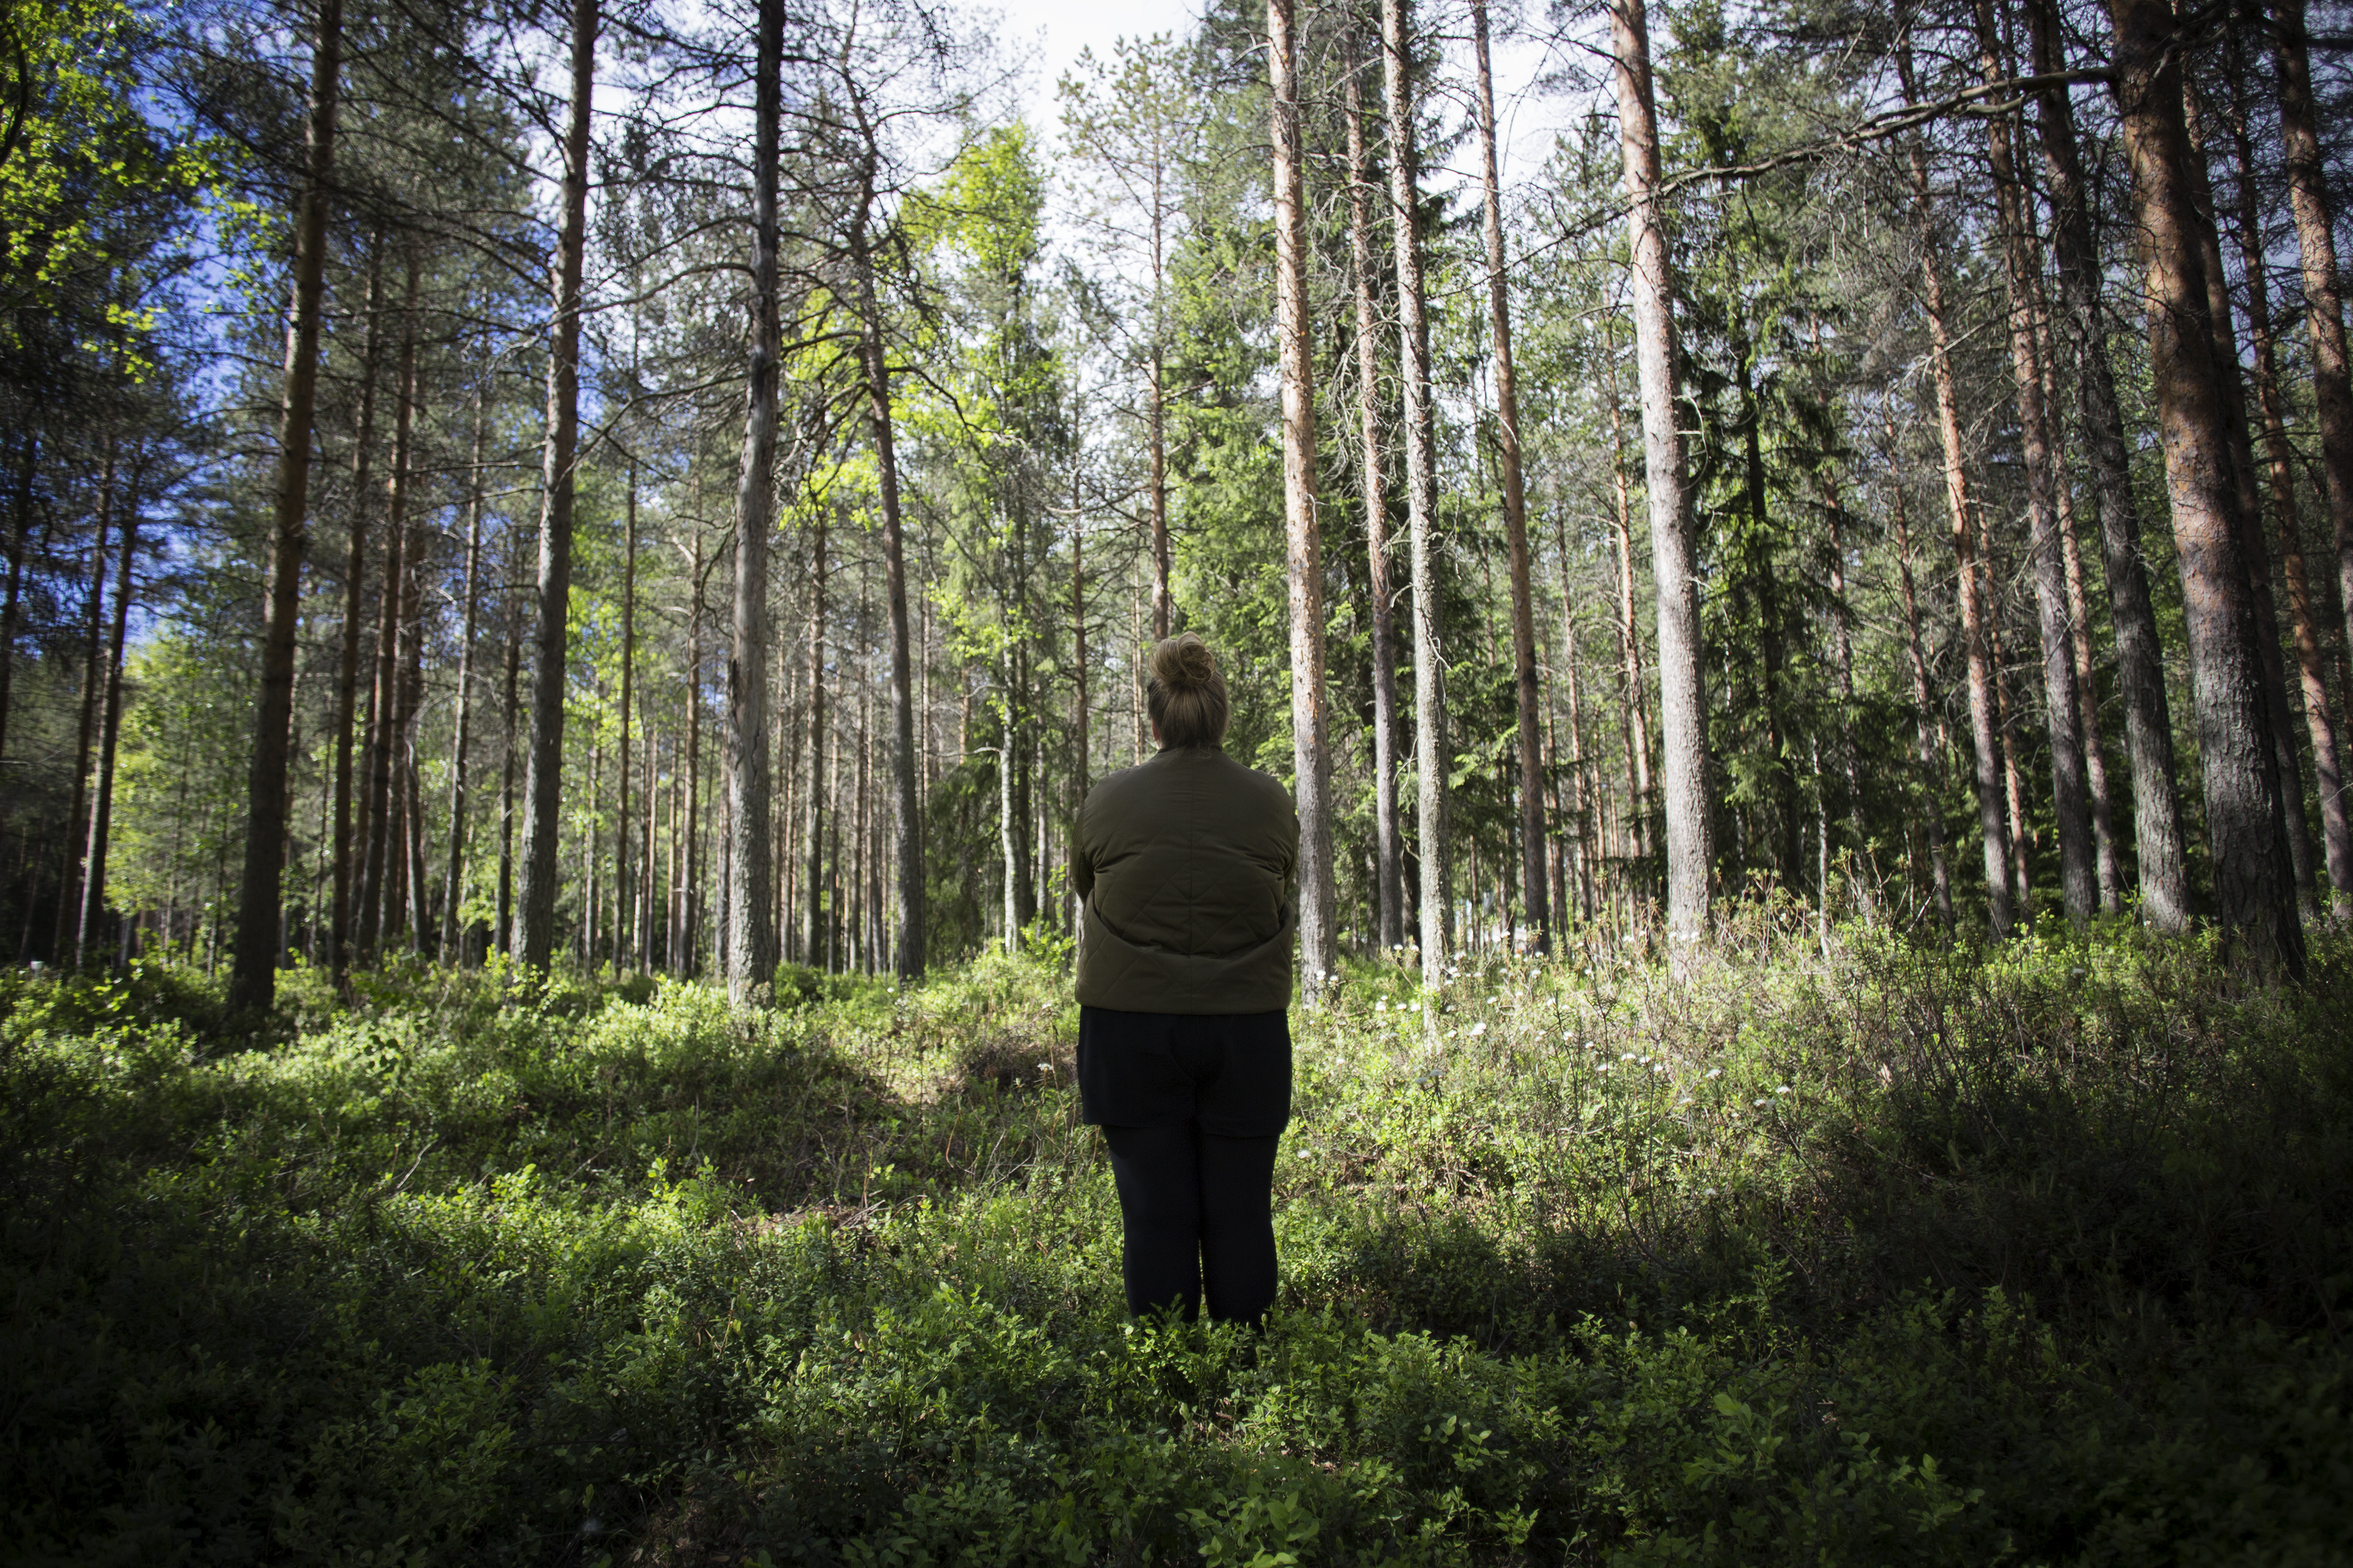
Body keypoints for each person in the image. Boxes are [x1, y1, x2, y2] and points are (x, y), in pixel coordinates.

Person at [1071, 631, 1298, 1327]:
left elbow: (1086, 889)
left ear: (1154, 718)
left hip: (1128, 1031)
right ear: (1219, 714)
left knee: (1153, 1219)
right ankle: (1248, 1383)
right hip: (1246, 1031)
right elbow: (1283, 887)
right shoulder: (1270, 800)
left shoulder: (1106, 799)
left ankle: (1171, 1391)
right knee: (1240, 1215)